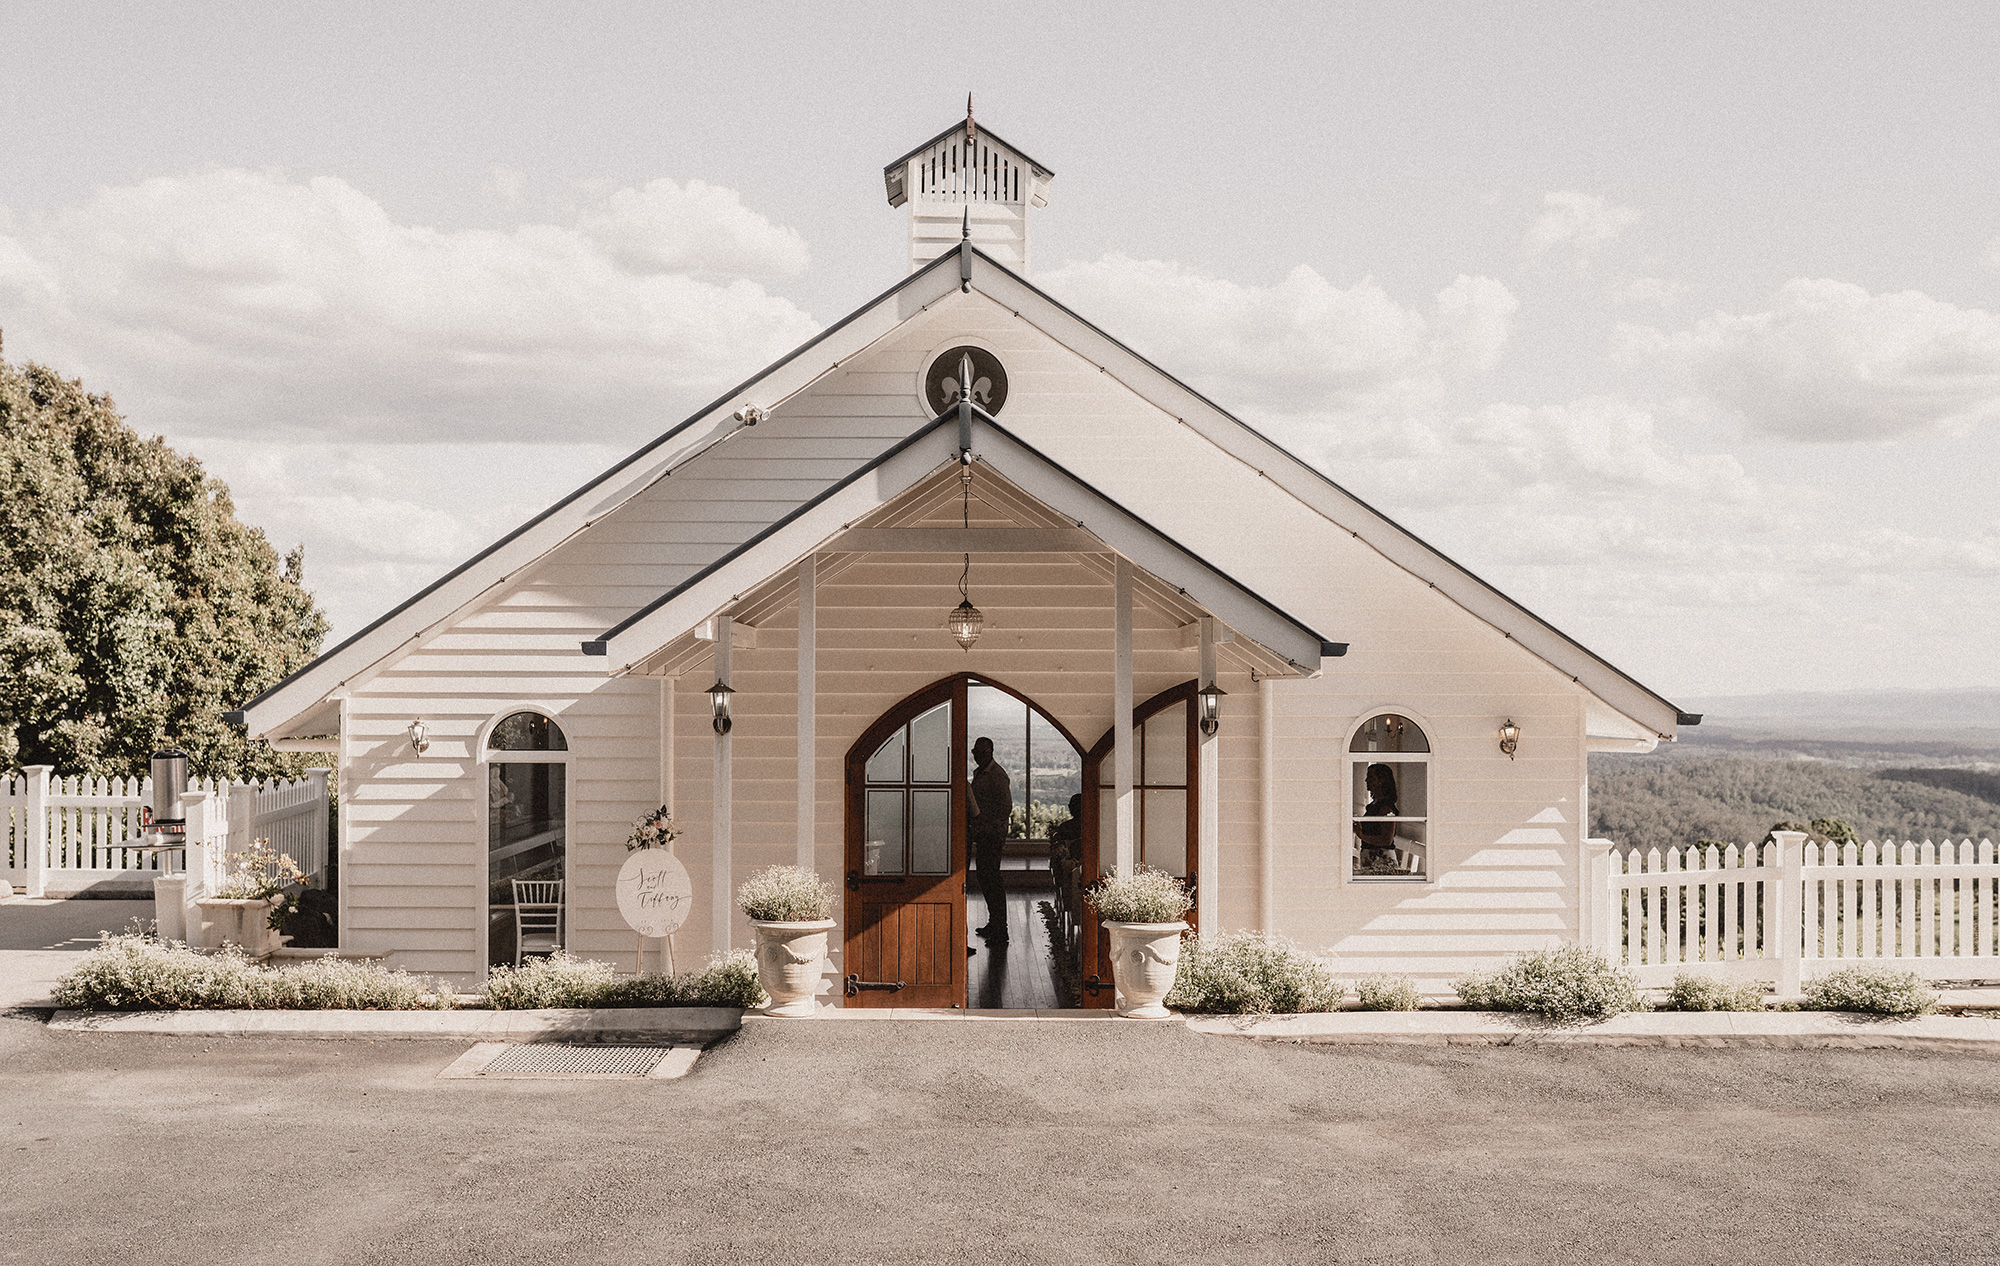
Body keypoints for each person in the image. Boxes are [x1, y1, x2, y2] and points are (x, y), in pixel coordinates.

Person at [967, 735, 1013, 948]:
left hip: (991, 835)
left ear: (990, 752)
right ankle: (994, 924)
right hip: (984, 833)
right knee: (986, 879)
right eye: (975, 752)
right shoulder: (982, 773)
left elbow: (1005, 808)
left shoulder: (997, 776)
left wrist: (986, 824)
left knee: (992, 881)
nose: (977, 756)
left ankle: (1000, 930)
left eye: (981, 752)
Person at [1354, 762, 1399, 870]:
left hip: (1382, 861)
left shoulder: (1386, 808)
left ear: (1381, 781)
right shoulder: (1373, 806)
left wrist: (1361, 835)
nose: (1366, 780)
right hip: (1370, 859)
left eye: (1370, 777)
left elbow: (1387, 840)